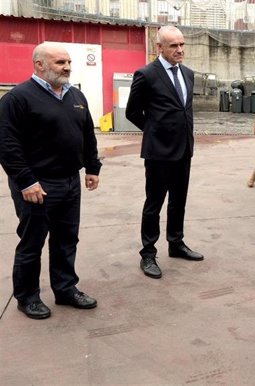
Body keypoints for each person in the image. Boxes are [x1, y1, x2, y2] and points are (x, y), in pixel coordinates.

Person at [0, 42, 102, 319]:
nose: (67, 67)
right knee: (32, 242)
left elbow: (87, 135)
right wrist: (26, 181)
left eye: (68, 62)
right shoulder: (17, 99)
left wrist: (92, 168)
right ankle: (27, 297)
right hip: (38, 185)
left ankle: (66, 289)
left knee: (67, 239)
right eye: (59, 62)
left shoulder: (76, 95)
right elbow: (8, 146)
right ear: (39, 65)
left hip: (69, 182)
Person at [126, 25, 203, 280]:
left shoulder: (188, 74)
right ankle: (148, 253)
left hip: (184, 150)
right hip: (158, 152)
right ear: (159, 47)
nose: (180, 50)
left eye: (182, 45)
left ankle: (176, 243)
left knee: (178, 200)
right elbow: (132, 112)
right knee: (154, 203)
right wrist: (155, 131)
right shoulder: (146, 75)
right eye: (174, 46)